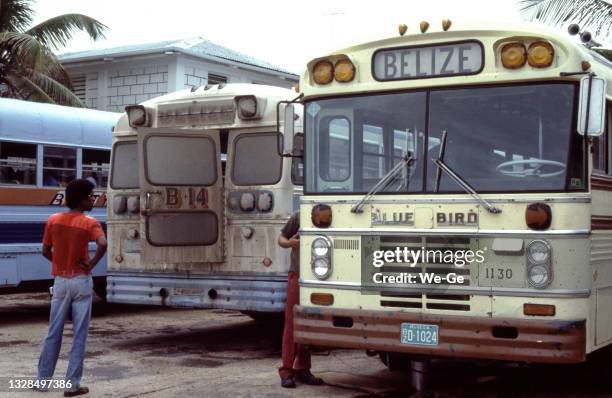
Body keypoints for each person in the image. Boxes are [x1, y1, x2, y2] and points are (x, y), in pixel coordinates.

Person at [36, 179, 107, 397]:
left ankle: (42, 381)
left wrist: (59, 262)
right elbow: (103, 244)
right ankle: (72, 385)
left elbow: (45, 251)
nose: (93, 199)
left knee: (53, 332)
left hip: (60, 281)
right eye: (91, 196)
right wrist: (92, 264)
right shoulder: (90, 222)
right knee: (79, 334)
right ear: (83, 198)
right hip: (81, 281)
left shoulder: (53, 220)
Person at [278, 212, 324, 389]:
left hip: (319, 276)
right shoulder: (299, 215)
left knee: (308, 323)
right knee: (292, 322)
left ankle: (303, 369)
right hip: (297, 275)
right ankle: (286, 371)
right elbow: (281, 238)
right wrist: (290, 243)